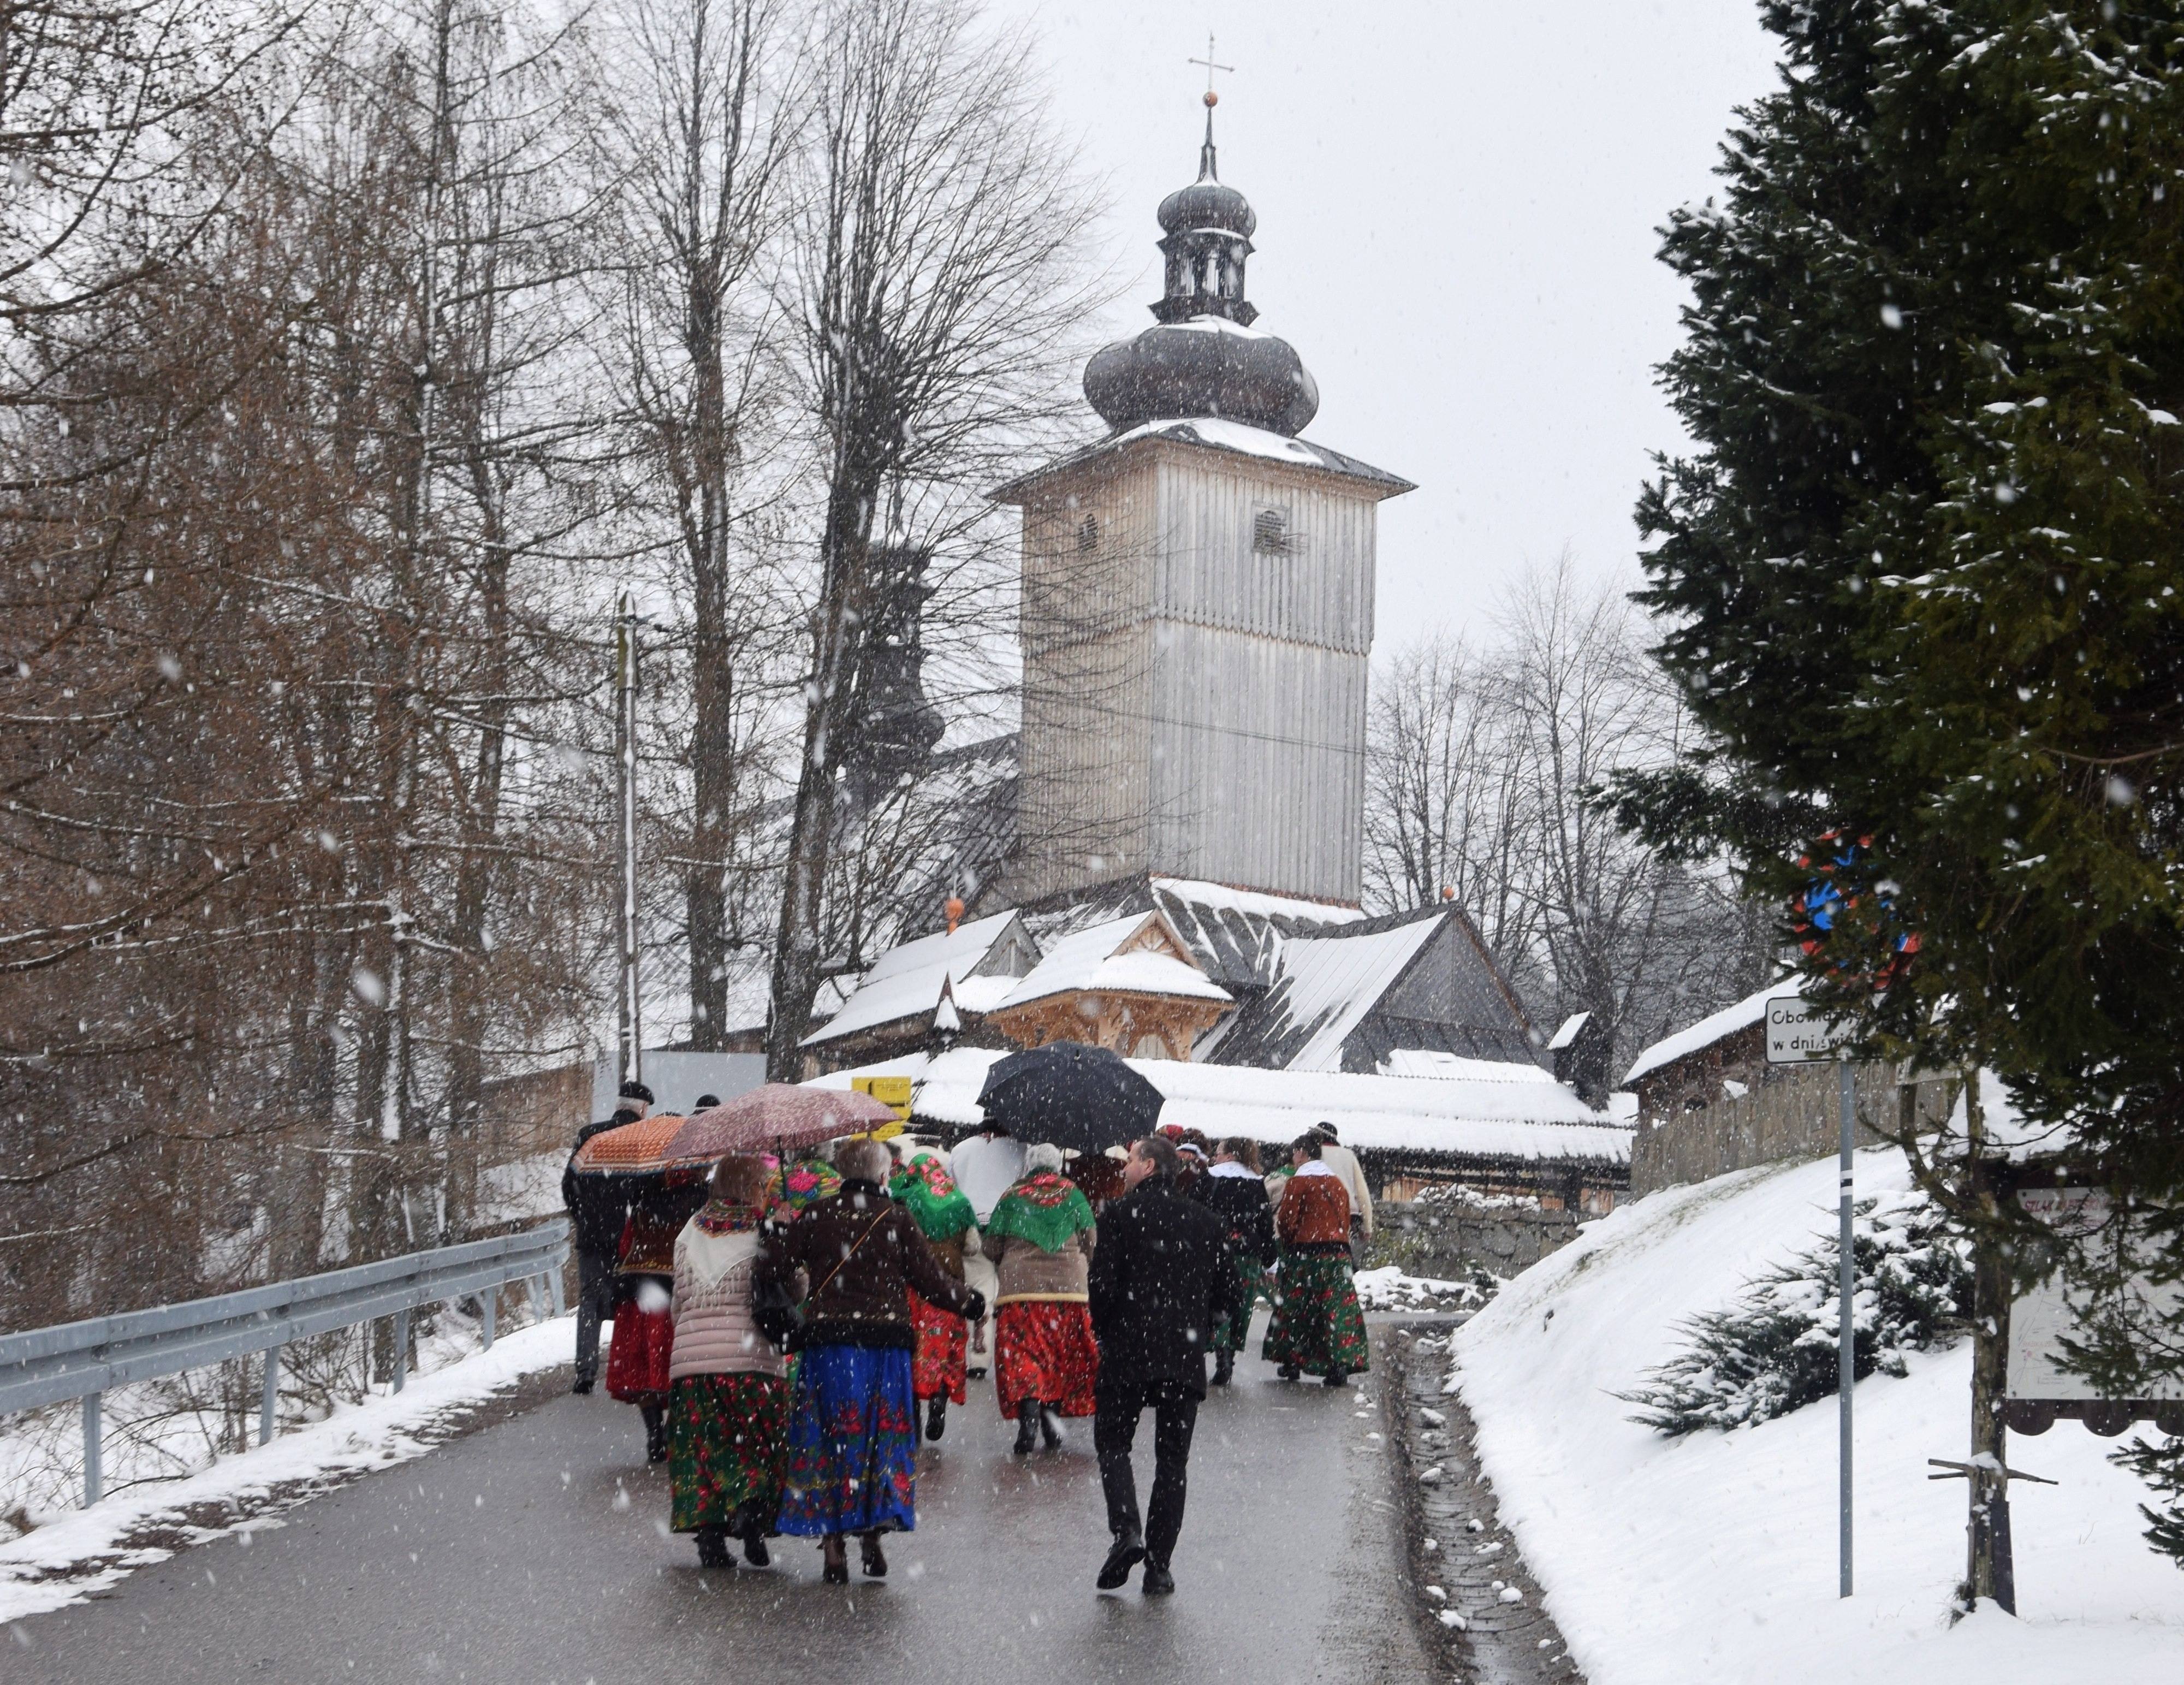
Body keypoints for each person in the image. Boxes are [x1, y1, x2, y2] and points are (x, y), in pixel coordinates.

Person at [754, 1137, 985, 1585]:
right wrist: (972, 1303)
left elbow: (770, 1269)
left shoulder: (817, 1214)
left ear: (842, 1174)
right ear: (883, 1175)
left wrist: (781, 1231)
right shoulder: (896, 1217)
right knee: (882, 1440)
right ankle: (873, 1537)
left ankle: (834, 1547)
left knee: (830, 1438)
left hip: (827, 1346)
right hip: (885, 1348)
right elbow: (932, 1281)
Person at [1087, 1132, 1241, 1597]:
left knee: (1113, 1442)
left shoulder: (1117, 1214)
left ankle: (1126, 1530)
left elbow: (1102, 1288)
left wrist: (1107, 1328)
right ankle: (1159, 1568)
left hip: (1128, 1352)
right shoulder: (1206, 1221)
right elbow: (1231, 1292)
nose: (1126, 1168)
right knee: (1172, 1462)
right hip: (1182, 1355)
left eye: (1132, 1161)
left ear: (1150, 1167)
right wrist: (1203, 1322)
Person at [667, 1155, 790, 1570]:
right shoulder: (764, 1233)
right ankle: (751, 1510)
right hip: (750, 1361)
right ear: (753, 1187)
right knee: (754, 1445)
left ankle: (710, 1539)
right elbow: (794, 1288)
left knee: (701, 1451)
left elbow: (677, 1304)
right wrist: (786, 1234)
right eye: (763, 1186)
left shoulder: (688, 1232)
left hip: (692, 1365)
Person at [981, 1143, 1100, 1453]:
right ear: (1057, 1167)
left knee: (1024, 1354)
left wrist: (1010, 1255)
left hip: (1020, 1291)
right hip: (1068, 1292)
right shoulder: (1073, 1194)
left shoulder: (1012, 1196)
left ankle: (1029, 1416)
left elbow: (991, 1247)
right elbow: (1091, 1242)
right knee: (1060, 1355)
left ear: (1029, 1165)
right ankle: (1052, 1423)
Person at [607, 1165, 708, 1461]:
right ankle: (668, 1428)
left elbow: (626, 1245)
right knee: (679, 1367)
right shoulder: (700, 1199)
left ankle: (654, 1435)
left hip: (638, 1291)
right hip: (678, 1291)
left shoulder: (641, 1194)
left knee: (641, 1367)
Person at [562, 1079, 651, 1395]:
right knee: (631, 1300)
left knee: (590, 1300)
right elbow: (649, 1190)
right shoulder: (645, 1138)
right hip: (631, 1237)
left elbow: (568, 1186)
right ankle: (628, 1370)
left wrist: (584, 1216)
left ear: (618, 1105)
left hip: (591, 1236)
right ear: (641, 1108)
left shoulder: (590, 1136)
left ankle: (585, 1371)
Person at [1263, 1134, 1370, 1388]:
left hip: (1306, 1253)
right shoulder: (1337, 1184)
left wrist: (1290, 1244)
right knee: (1336, 1308)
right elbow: (1344, 1220)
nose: (1293, 1158)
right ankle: (1338, 1364)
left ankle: (1292, 1361)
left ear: (1302, 1153)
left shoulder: (1298, 1182)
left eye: (1294, 1153)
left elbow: (1287, 1221)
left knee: (1298, 1307)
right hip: (1338, 1254)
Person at [888, 1148, 978, 1441]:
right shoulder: (958, 1203)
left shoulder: (901, 1201)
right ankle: (939, 1397)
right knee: (941, 1352)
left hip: (910, 1290)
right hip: (947, 1291)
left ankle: (912, 1416)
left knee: (911, 1351)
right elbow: (973, 1248)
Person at [1192, 1138, 1277, 1386]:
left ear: (1230, 1155)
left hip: (1212, 1251)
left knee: (1210, 1301)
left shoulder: (1209, 1178)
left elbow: (1193, 1212)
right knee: (1238, 1303)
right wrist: (1270, 1261)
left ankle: (1210, 1351)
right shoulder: (1256, 1183)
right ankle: (1227, 1358)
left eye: (1218, 1153)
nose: (1215, 1157)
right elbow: (1265, 1225)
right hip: (1246, 1254)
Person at [949, 1123, 1025, 1376]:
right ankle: (1018, 1358)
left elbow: (952, 1191)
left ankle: (978, 1358)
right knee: (1014, 1295)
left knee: (981, 1294)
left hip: (973, 1229)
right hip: (1011, 1231)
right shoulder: (1021, 1149)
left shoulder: (960, 1149)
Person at [1310, 1122, 1376, 1261]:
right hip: (1348, 1215)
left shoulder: (1313, 1154)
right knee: (1342, 1256)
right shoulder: (1348, 1155)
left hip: (1318, 1214)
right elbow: (1362, 1193)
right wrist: (1367, 1226)